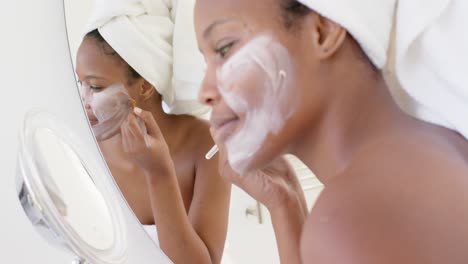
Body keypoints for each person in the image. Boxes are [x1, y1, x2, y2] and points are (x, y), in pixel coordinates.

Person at [194, 0, 468, 263]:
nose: (204, 92)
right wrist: (283, 204)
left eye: (224, 48)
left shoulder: (359, 215)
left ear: (323, 32)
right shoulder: (431, 151)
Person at [76, 1, 231, 263]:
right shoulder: (87, 145)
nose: (84, 99)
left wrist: (158, 173)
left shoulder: (206, 146)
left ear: (145, 86)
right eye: (80, 83)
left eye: (96, 87)